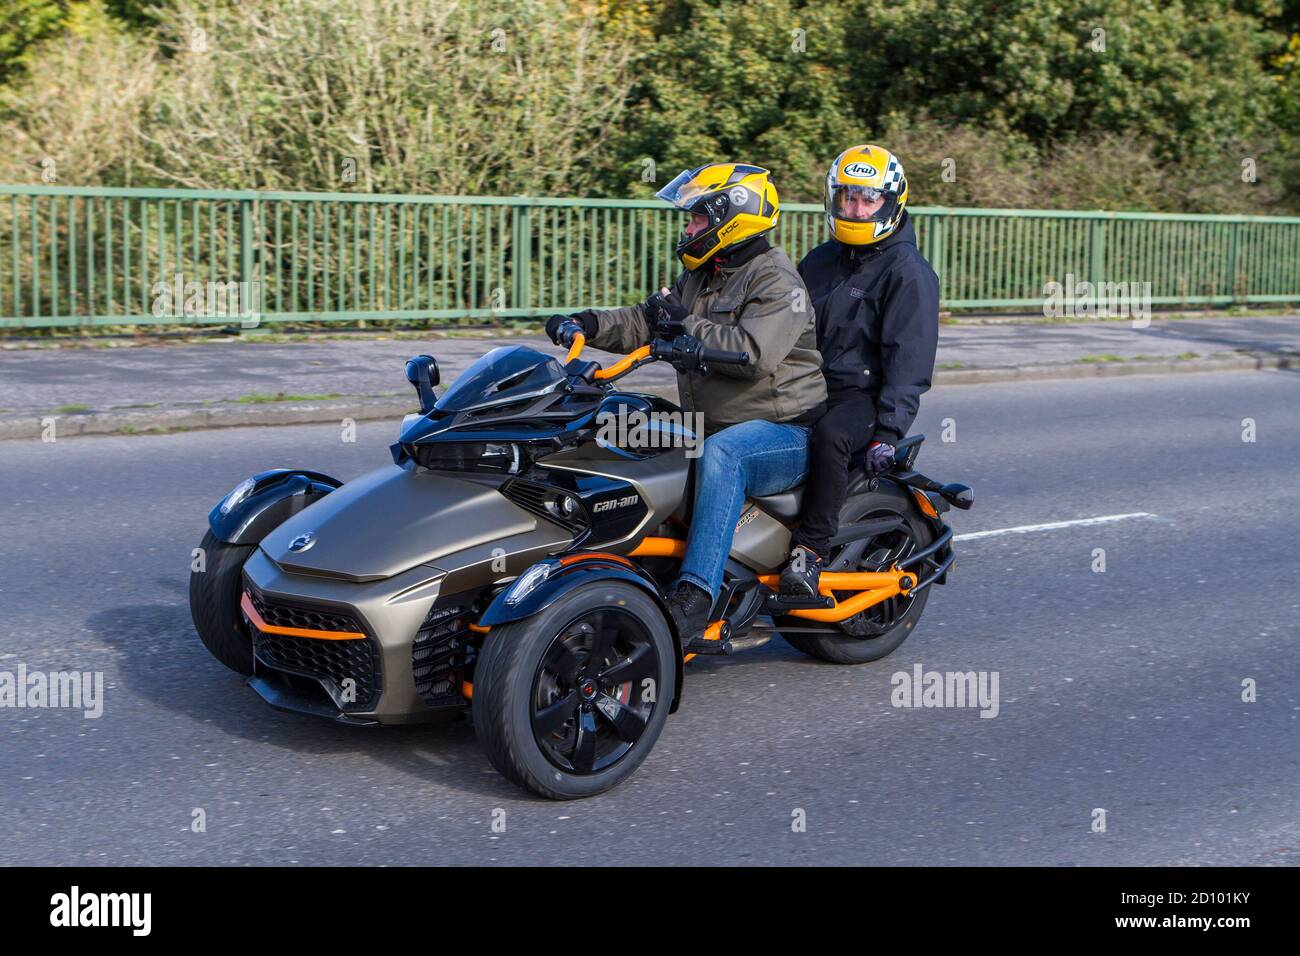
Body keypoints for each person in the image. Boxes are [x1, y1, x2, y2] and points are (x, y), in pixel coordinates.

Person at [545, 162, 826, 647]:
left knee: (725, 455)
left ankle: (696, 597)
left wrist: (687, 330)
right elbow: (647, 320)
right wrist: (587, 323)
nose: (688, 227)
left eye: (697, 218)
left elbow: (752, 352)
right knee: (625, 421)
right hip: (714, 421)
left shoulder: (778, 281)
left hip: (784, 430)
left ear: (731, 218)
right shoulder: (703, 274)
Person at [778, 145, 940, 597]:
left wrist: (888, 431)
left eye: (869, 199)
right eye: (848, 197)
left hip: (860, 398)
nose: (856, 208)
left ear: (890, 203)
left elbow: (909, 361)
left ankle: (808, 552)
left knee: (831, 436)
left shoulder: (908, 272)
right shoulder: (822, 259)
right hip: (807, 383)